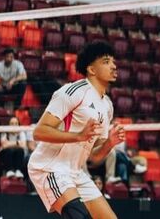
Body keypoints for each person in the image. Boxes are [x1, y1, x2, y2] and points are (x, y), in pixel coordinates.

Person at [27, 41, 125, 219]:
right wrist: (78, 136)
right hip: (48, 167)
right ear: (91, 70)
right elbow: (39, 132)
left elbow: (94, 158)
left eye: (113, 61)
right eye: (106, 61)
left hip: (76, 172)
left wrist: (110, 143)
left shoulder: (107, 105)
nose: (113, 65)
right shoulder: (74, 91)